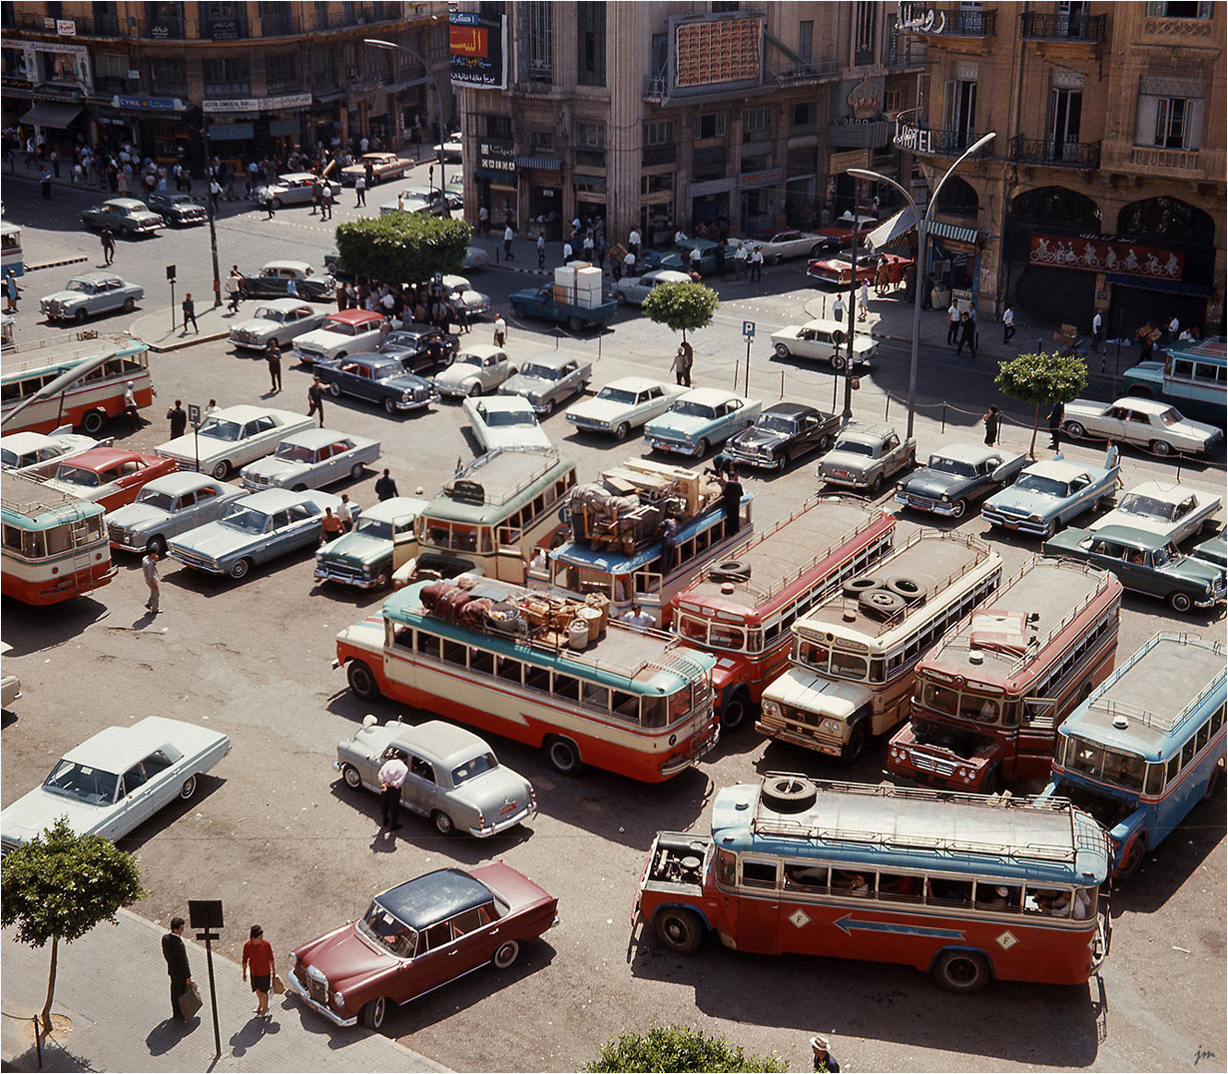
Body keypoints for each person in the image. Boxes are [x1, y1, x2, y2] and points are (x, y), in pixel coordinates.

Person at [162, 917, 195, 1021]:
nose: (183, 930)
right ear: (176, 929)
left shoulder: (165, 938)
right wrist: (188, 977)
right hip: (180, 973)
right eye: (181, 928)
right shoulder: (179, 944)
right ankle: (182, 1013)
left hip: (172, 971)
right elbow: (184, 961)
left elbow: (166, 954)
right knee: (181, 993)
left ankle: (175, 1012)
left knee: (174, 991)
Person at [242, 925, 276, 1018]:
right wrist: (244, 973)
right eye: (260, 938)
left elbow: (271, 958)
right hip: (254, 972)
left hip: (264, 972)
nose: (262, 940)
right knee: (257, 990)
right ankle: (261, 1005)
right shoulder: (247, 946)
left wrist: (273, 970)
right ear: (253, 938)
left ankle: (265, 1009)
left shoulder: (266, 945)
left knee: (263, 992)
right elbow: (244, 960)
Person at [378, 749, 409, 830]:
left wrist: (383, 784)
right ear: (405, 759)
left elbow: (380, 775)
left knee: (384, 805)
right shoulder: (404, 768)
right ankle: (393, 825)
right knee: (394, 808)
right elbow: (398, 783)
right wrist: (388, 785)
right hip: (394, 791)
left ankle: (385, 820)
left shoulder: (389, 763)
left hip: (384, 788)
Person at [721, 468, 744, 538]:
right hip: (736, 503)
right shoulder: (738, 484)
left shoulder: (728, 484)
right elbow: (741, 494)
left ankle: (731, 532)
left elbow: (724, 493)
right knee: (736, 516)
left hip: (729, 503)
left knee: (730, 517)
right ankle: (737, 529)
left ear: (729, 477)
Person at [142, 548, 161, 614]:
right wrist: (155, 584)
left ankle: (149, 604)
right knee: (156, 594)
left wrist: (154, 561)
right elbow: (151, 576)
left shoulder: (145, 559)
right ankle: (155, 609)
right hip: (152, 581)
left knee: (153, 593)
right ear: (152, 554)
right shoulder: (150, 564)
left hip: (147, 579)